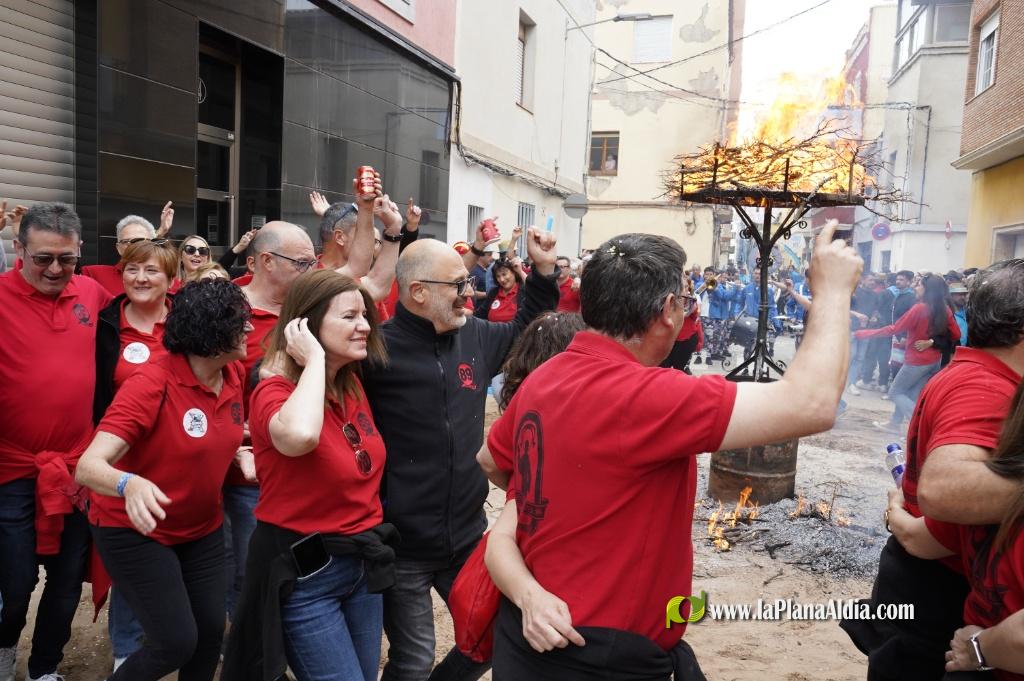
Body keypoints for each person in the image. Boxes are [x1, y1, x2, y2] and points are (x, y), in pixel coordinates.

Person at [480, 221, 862, 678]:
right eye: (684, 300)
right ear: (667, 310)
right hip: (597, 652)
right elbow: (814, 404)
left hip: (535, 639)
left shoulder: (547, 375)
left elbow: (491, 459)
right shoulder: (648, 395)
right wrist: (834, 292)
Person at [365, 224, 560, 681]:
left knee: (488, 640)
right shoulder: (376, 352)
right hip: (404, 547)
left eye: (468, 283)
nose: (469, 295)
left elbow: (525, 330)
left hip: (470, 539)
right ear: (416, 292)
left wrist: (545, 270)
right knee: (412, 661)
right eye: (458, 286)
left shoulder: (475, 336)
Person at [841, 259, 1024, 681]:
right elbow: (944, 491)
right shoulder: (985, 387)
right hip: (934, 592)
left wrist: (909, 525)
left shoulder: (976, 375)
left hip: (929, 580)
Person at [223, 269, 397, 681]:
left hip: (360, 563)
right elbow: (300, 435)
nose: (364, 326)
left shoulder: (350, 385)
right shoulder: (273, 392)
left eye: (364, 316)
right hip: (307, 577)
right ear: (307, 324)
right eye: (349, 316)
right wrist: (315, 357)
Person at [75, 279, 252, 681]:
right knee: (174, 642)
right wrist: (129, 483)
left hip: (200, 527)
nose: (250, 329)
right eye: (240, 322)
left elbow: (219, 429)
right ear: (209, 331)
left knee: (209, 635)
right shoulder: (151, 384)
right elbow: (88, 466)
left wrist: (237, 452)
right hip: (134, 529)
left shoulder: (233, 373)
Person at [0, 203, 112, 681]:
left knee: (67, 582)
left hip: (75, 469)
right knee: (16, 577)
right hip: (10, 471)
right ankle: (5, 646)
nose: (54, 269)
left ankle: (45, 668)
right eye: (42, 258)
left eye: (66, 259)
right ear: (18, 248)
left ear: (80, 252)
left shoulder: (91, 292)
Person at [92, 239, 180, 670]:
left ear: (171, 278)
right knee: (130, 560)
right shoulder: (105, 322)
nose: (140, 279)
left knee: (184, 552)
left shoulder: (185, 320)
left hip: (181, 457)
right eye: (131, 270)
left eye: (152, 271)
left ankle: (174, 638)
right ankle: (127, 651)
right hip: (122, 461)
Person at [855, 273, 960, 433]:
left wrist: (864, 333)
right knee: (909, 395)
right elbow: (956, 334)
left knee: (895, 392)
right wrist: (933, 341)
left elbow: (894, 329)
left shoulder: (920, 308)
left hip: (917, 361)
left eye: (919, 285)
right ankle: (894, 424)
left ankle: (921, 426)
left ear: (928, 290)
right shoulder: (944, 309)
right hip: (933, 361)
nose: (915, 287)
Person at [82, 215, 160, 296]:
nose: (131, 246)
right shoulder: (93, 274)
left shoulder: (164, 278)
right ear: (118, 248)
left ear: (152, 245)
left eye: (138, 241)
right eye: (126, 241)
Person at [950, 282, 969, 347]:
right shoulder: (947, 314)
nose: (963, 297)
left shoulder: (968, 311)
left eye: (964, 294)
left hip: (966, 351)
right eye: (960, 294)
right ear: (951, 296)